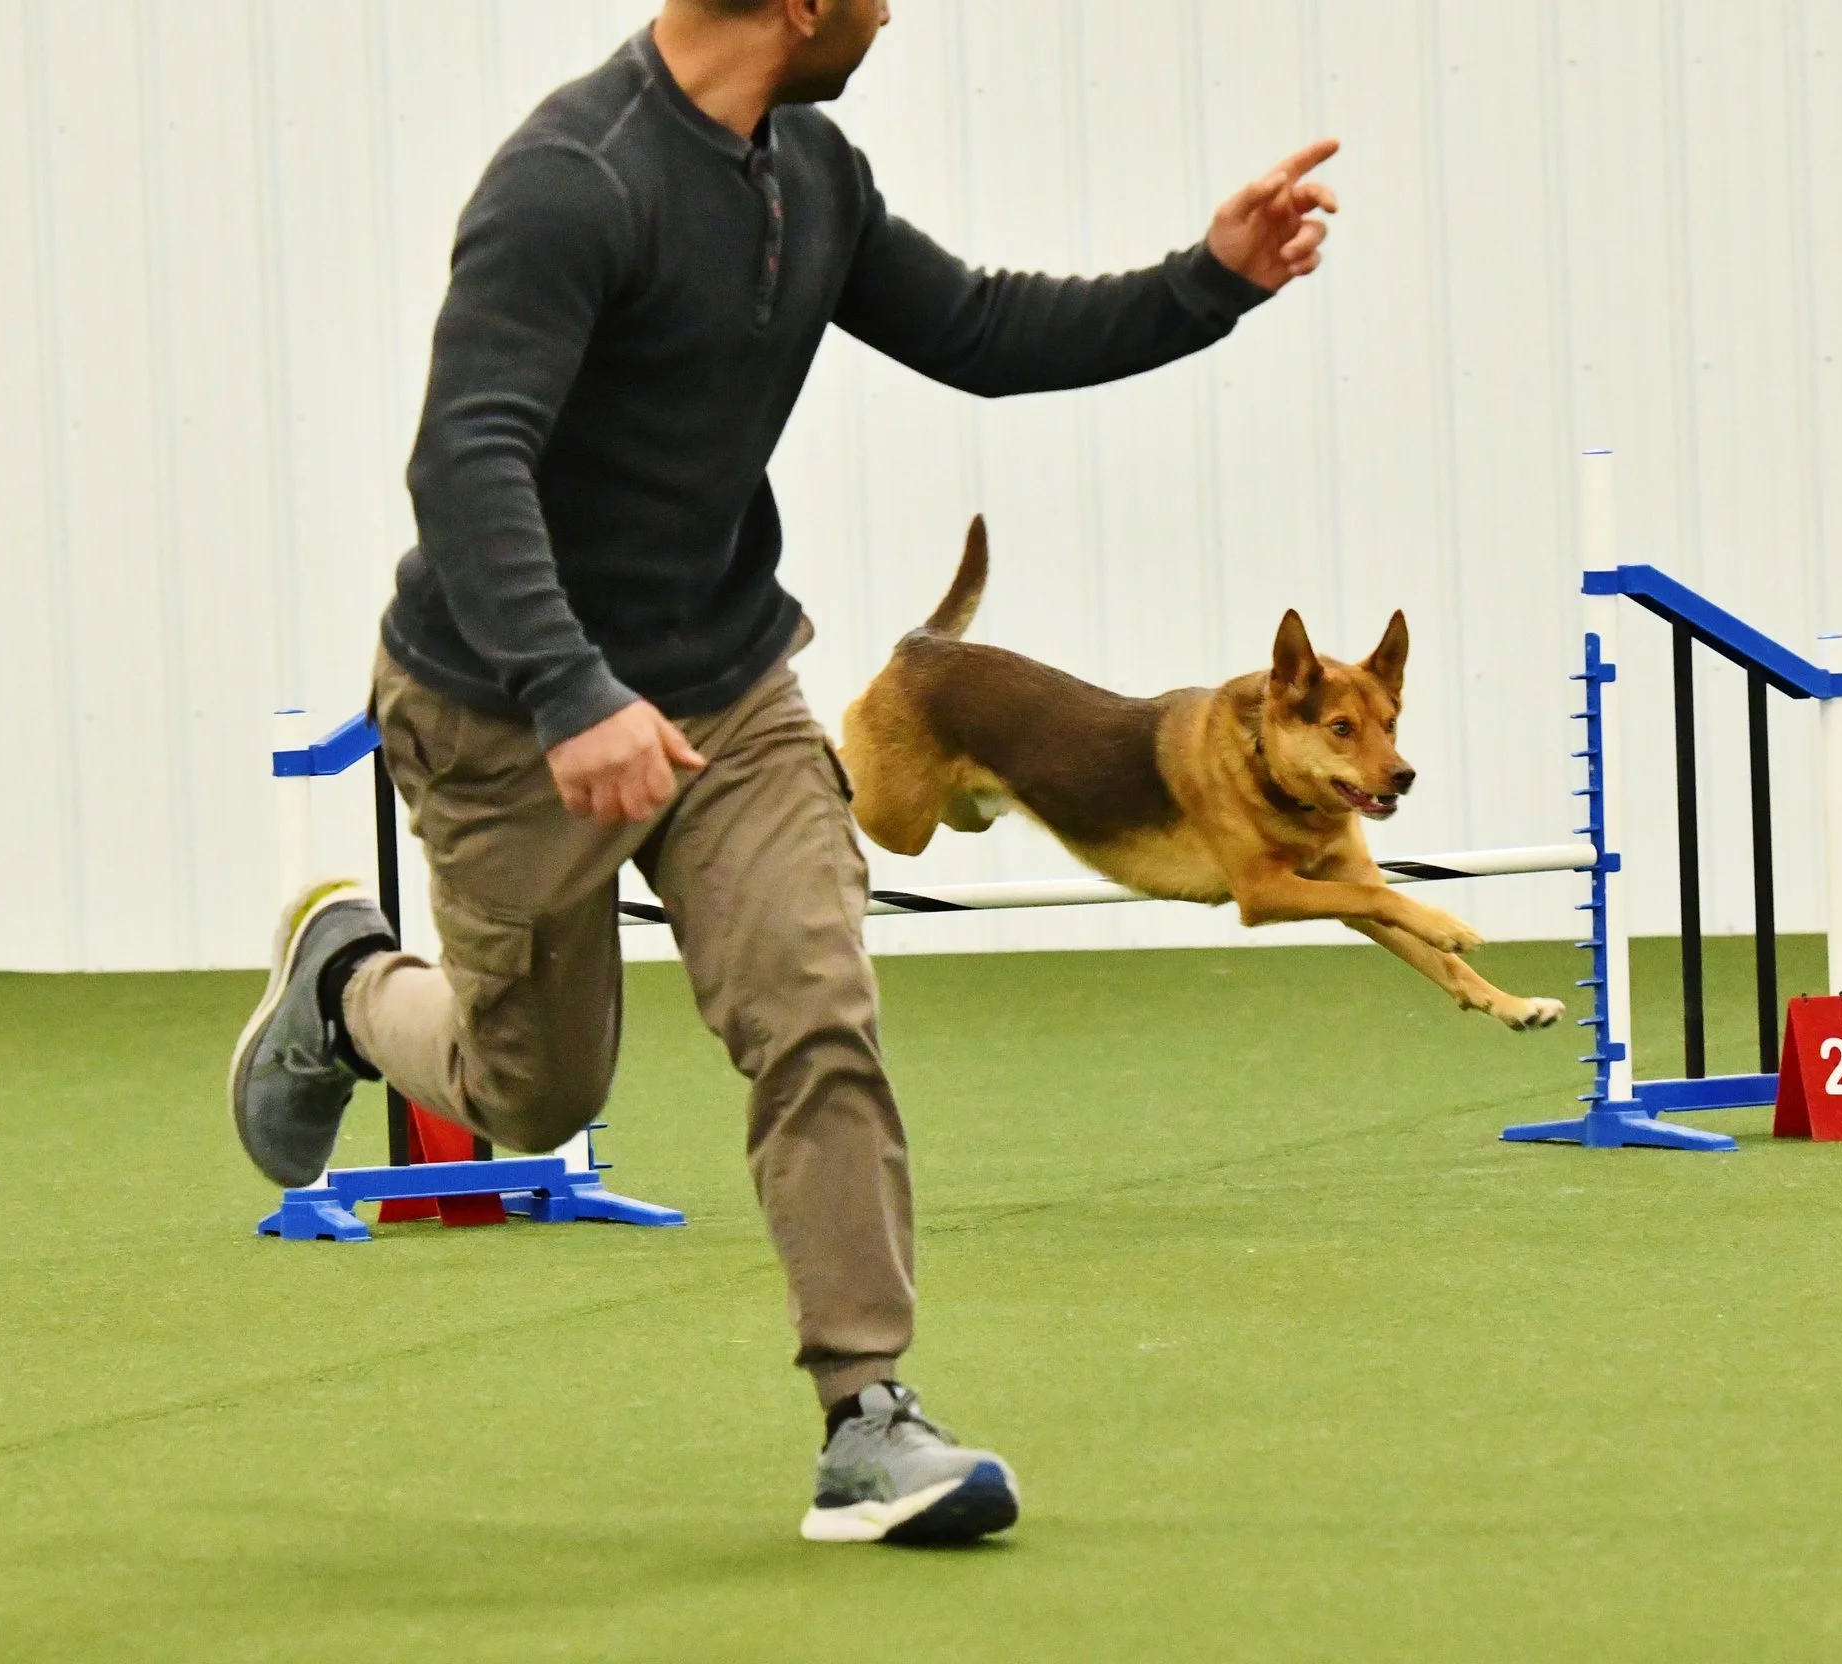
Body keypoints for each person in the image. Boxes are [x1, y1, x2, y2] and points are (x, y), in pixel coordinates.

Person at [229, 0, 1337, 1547]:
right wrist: (570, 690)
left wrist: (1208, 282)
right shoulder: (573, 181)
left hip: (727, 687)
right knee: (534, 1095)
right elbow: (464, 459)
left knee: (816, 1008)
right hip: (504, 708)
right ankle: (346, 987)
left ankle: (869, 1420)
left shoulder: (804, 167)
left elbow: (984, 332)